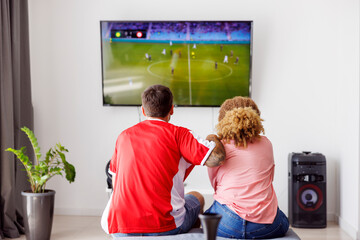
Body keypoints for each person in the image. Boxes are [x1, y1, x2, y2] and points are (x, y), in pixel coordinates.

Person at [101, 85, 226, 237]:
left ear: (143, 110)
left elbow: (115, 182)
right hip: (165, 226)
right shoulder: (179, 134)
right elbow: (216, 158)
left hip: (120, 228)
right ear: (171, 109)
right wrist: (212, 138)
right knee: (197, 197)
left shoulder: (123, 136)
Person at [205, 96, 289, 239]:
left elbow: (215, 184)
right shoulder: (266, 143)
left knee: (207, 214)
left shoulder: (220, 147)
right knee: (283, 220)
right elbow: (270, 178)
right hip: (264, 227)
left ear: (223, 120)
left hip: (226, 224)